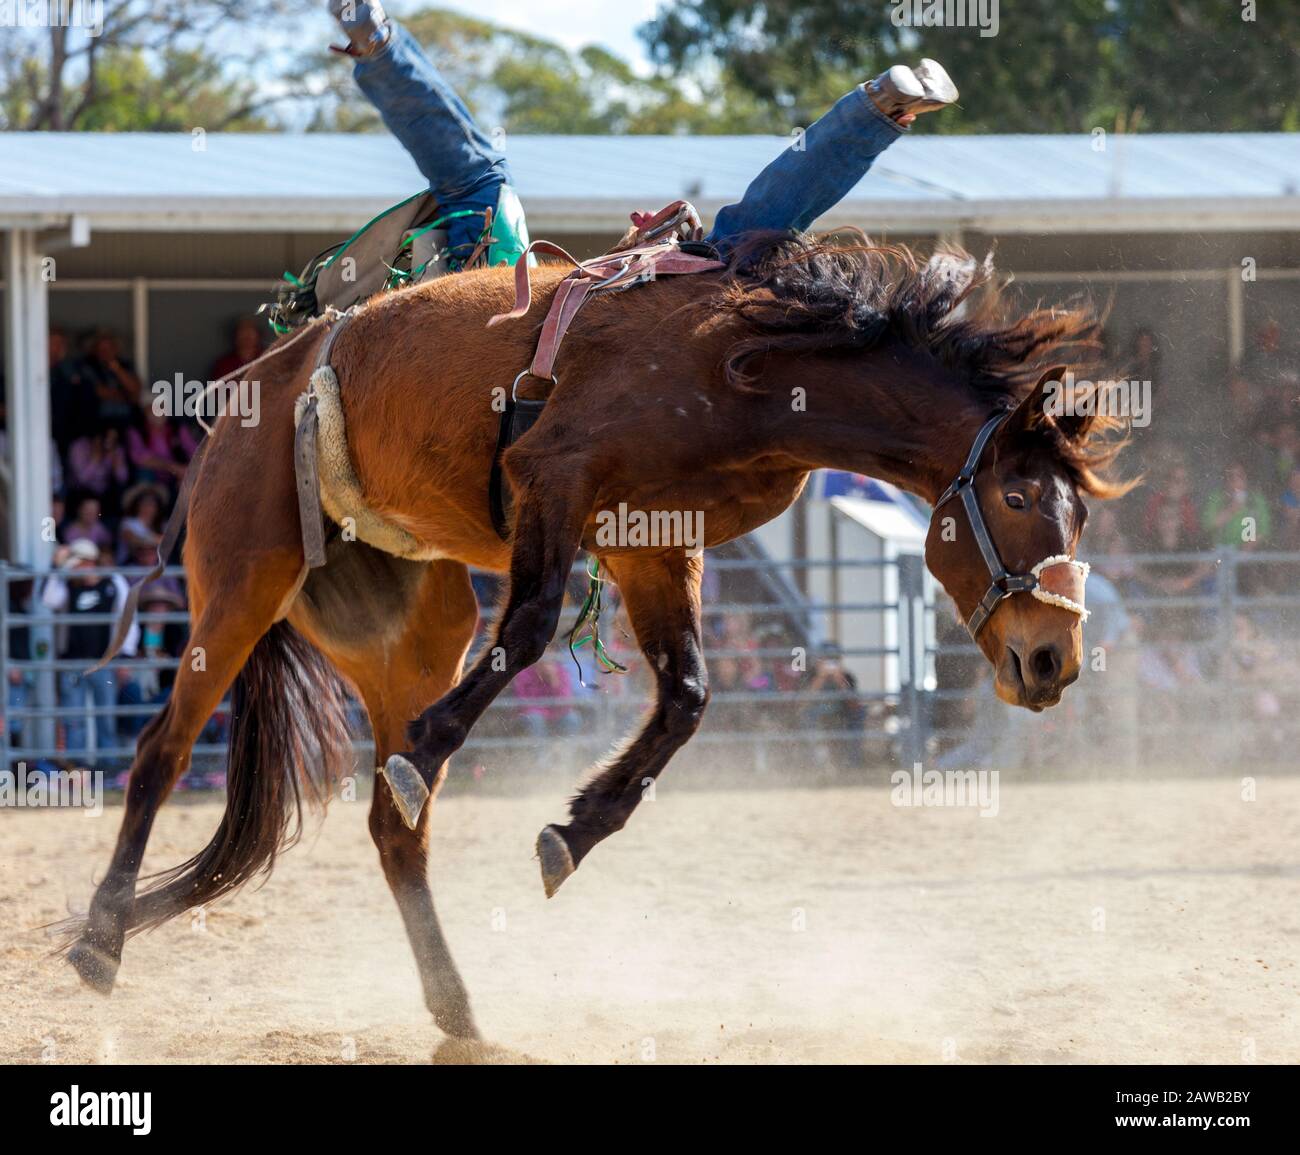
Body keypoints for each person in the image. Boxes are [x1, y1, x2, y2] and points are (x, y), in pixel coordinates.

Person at [330, 2, 957, 270]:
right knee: (748, 232)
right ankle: (879, 105)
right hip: (546, 301)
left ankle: (381, 47)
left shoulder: (484, 290)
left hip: (508, 300)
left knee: (478, 179)